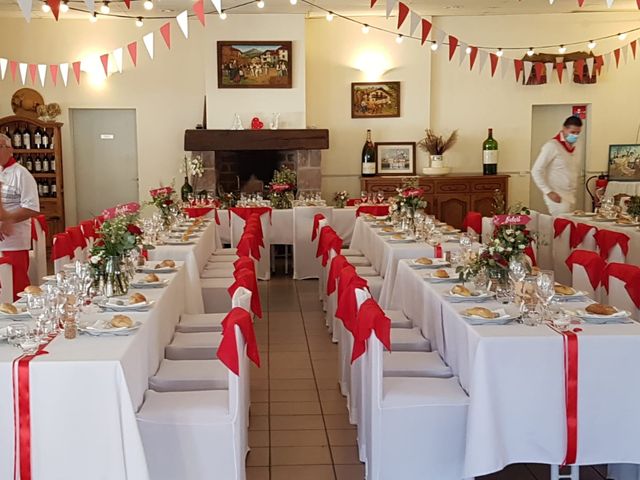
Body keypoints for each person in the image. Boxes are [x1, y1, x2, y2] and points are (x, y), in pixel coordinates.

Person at [0, 133, 40, 300]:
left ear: (10, 149)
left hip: (13, 243)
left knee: (17, 288)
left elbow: (32, 208)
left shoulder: (21, 174)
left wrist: (7, 219)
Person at [531, 115, 583, 216]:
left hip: (571, 195)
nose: (575, 135)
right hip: (557, 195)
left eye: (578, 133)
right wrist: (548, 192)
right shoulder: (552, 146)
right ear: (564, 129)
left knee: (571, 226)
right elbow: (536, 170)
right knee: (562, 226)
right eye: (572, 132)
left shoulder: (576, 147)